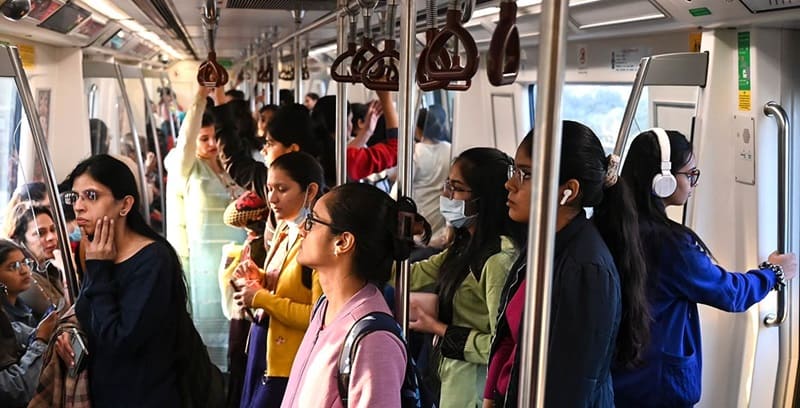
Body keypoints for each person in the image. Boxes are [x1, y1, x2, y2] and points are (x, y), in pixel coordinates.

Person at [612, 129, 798, 407]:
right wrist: (774, 273)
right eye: (690, 174)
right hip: (659, 385)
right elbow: (730, 293)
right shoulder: (672, 246)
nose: (693, 183)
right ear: (663, 181)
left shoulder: (608, 225)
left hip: (619, 379)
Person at [484, 121, 650, 407]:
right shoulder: (542, 245)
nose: (509, 183)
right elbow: (510, 341)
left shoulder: (586, 268)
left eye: (526, 174)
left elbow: (570, 385)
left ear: (568, 191)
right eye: (515, 169)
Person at [54, 154, 189, 407]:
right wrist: (70, 335)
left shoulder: (153, 260)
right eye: (75, 197)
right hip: (103, 392)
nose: (79, 206)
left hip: (143, 396)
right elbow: (88, 314)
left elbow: (119, 340)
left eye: (91, 196)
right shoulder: (92, 249)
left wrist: (98, 271)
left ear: (125, 205)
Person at [281, 183, 416, 407]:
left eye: (313, 221)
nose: (303, 229)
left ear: (342, 242)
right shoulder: (325, 306)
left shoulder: (374, 340)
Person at [408, 147, 521, 408]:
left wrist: (438, 328)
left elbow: (501, 344)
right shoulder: (465, 246)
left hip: (474, 388)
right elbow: (415, 274)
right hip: (450, 378)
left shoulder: (497, 259)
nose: (445, 194)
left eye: (456, 188)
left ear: (484, 198)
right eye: (448, 185)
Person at [234, 151, 324, 408]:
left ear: (311, 191)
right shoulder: (285, 229)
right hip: (265, 350)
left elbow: (317, 317)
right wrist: (259, 277)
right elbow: (285, 283)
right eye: (269, 188)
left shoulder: (317, 242)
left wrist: (261, 298)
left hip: (290, 361)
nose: (272, 198)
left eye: (282, 189)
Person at [164, 87, 246, 369]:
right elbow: (185, 142)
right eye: (204, 138)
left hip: (238, 264)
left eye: (215, 137)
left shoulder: (235, 168)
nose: (211, 144)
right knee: (208, 345)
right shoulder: (186, 168)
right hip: (202, 270)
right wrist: (200, 96)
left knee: (238, 335)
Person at [0, 239, 57, 408]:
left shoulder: (22, 310)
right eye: (13, 266)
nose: (25, 271)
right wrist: (40, 341)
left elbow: (19, 332)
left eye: (24, 263)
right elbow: (15, 390)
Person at [6, 203, 66, 319]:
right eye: (40, 233)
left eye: (53, 230)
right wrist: (67, 271)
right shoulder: (24, 277)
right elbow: (60, 318)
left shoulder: (51, 268)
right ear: (21, 241)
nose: (51, 237)